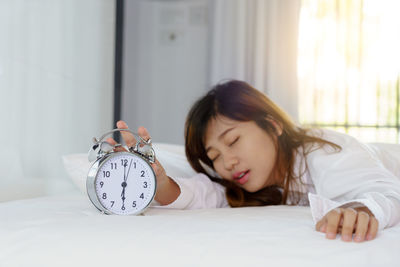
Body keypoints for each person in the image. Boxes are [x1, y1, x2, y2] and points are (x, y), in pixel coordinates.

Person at [108, 80, 400, 243]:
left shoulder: (324, 151)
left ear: (273, 126)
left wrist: (359, 209)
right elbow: (202, 193)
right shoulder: (243, 184)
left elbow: (386, 192)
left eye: (233, 141)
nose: (228, 162)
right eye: (215, 157)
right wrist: (155, 181)